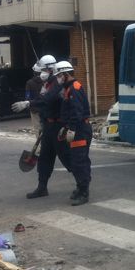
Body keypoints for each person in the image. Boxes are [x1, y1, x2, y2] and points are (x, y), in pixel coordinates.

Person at [12, 55, 70, 199]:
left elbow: (47, 99)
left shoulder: (58, 82)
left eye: (43, 70)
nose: (41, 73)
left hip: (59, 126)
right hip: (49, 125)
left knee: (68, 158)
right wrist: (43, 122)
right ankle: (42, 187)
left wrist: (28, 104)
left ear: (51, 69)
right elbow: (43, 102)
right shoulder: (48, 84)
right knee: (45, 159)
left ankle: (83, 187)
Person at [55, 61, 92, 206]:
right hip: (77, 128)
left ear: (66, 74)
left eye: (59, 75)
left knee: (79, 162)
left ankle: (84, 192)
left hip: (80, 130)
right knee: (78, 160)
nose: (58, 78)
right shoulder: (69, 88)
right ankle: (80, 187)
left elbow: (77, 112)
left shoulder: (74, 89)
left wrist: (71, 128)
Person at [25, 69, 45, 136]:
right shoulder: (45, 81)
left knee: (37, 127)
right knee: (45, 126)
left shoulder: (29, 83)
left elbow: (27, 96)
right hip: (44, 107)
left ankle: (39, 144)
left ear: (34, 73)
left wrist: (28, 104)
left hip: (34, 108)